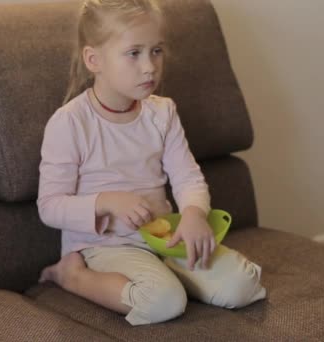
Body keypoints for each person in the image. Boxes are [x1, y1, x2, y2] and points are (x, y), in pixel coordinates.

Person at [37, 0, 266, 326]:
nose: (150, 66)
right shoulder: (70, 123)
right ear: (94, 60)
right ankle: (72, 277)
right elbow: (50, 206)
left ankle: (179, 276)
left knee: (243, 285)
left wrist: (193, 214)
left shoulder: (162, 113)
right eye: (134, 53)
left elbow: (187, 176)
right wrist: (106, 202)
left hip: (165, 235)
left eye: (156, 51)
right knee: (164, 301)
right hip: (105, 246)